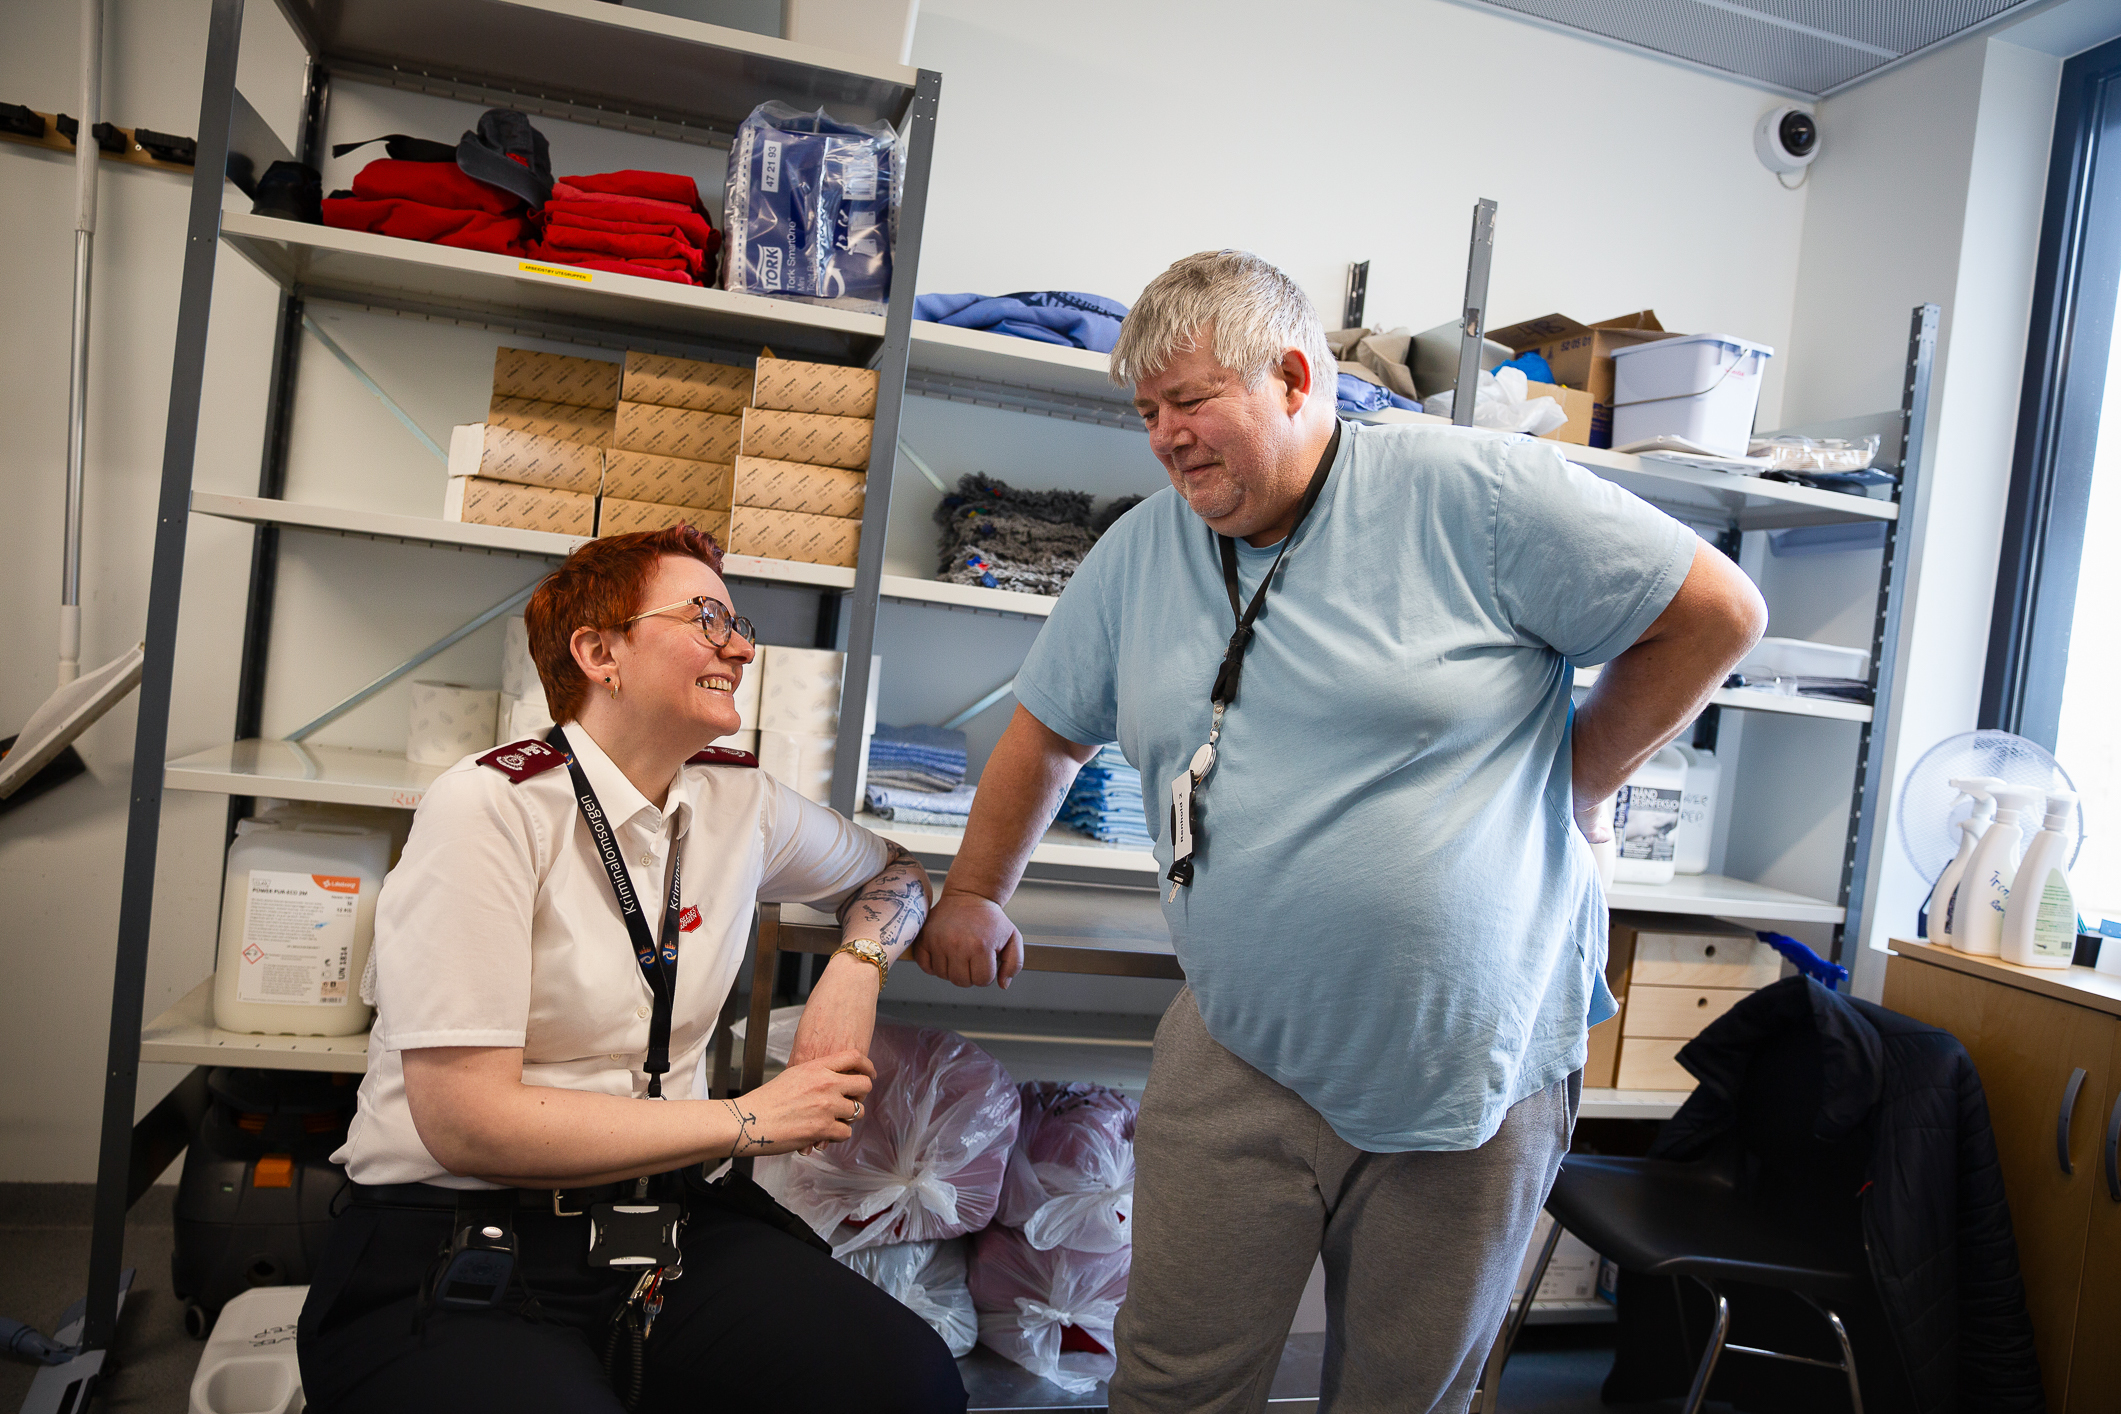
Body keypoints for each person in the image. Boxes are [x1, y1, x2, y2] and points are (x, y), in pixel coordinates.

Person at [911, 250, 1767, 1413]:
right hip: (1239, 1038)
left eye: (1194, 400)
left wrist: (1578, 776)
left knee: (1403, 1395)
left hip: (1467, 1055)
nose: (1166, 437)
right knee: (1171, 1383)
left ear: (1298, 377)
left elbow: (1717, 612)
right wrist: (973, 890)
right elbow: (1047, 733)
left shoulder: (1476, 495)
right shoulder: (1136, 554)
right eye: (1148, 411)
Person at [298, 525, 967, 1414]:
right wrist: (743, 1120)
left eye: (738, 621)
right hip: (460, 1227)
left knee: (905, 1384)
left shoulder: (738, 799)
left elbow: (896, 873)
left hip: (659, 1225)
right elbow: (468, 1124)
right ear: (598, 651)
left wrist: (854, 967)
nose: (740, 644)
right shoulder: (491, 806)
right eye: (705, 617)